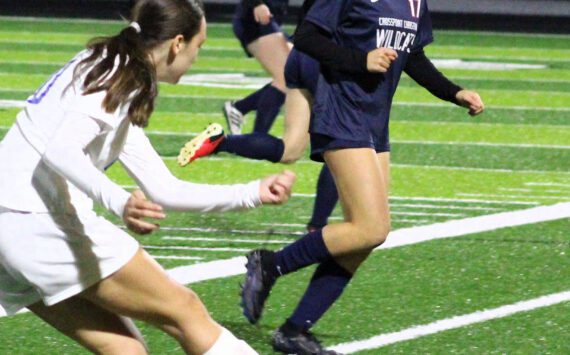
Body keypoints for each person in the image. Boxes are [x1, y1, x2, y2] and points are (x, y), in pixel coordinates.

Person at [0, 0, 296, 354]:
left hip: (12, 230)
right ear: (177, 44)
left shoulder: (114, 66)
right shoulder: (119, 74)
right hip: (37, 223)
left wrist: (252, 192)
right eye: (198, 47)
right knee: (186, 311)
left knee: (125, 349)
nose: (197, 58)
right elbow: (60, 150)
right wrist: (119, 200)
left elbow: (162, 188)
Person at [238, 0, 486, 354]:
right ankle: (271, 265)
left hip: (374, 119)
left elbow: (411, 56)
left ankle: (294, 330)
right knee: (372, 227)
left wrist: (454, 92)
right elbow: (307, 36)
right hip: (341, 111)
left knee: (365, 237)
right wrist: (360, 60)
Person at [178, 0, 338, 232]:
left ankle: (220, 141)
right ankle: (316, 226)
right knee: (345, 142)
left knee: (291, 149)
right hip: (327, 55)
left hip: (306, 52)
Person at [223, 0, 292, 135]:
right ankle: (257, 138)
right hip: (255, 18)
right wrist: (256, 3)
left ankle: (240, 108)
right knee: (285, 79)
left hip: (269, 18)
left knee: (298, 75)